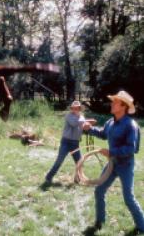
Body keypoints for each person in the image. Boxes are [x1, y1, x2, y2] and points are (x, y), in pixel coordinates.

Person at [83, 90, 144, 235]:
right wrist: (89, 129)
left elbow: (131, 148)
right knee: (99, 191)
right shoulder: (110, 122)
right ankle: (100, 222)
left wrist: (112, 152)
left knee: (128, 198)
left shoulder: (131, 125)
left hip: (125, 165)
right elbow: (103, 134)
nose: (112, 103)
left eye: (115, 102)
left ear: (123, 106)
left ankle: (142, 227)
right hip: (112, 163)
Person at [41, 101, 96, 190]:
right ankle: (48, 177)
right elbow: (75, 123)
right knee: (59, 161)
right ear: (72, 109)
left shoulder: (81, 117)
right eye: (74, 108)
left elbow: (83, 126)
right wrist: (88, 121)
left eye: (77, 108)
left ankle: (77, 178)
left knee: (79, 162)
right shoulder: (69, 116)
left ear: (79, 109)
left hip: (75, 143)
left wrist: (89, 126)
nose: (76, 109)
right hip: (66, 142)